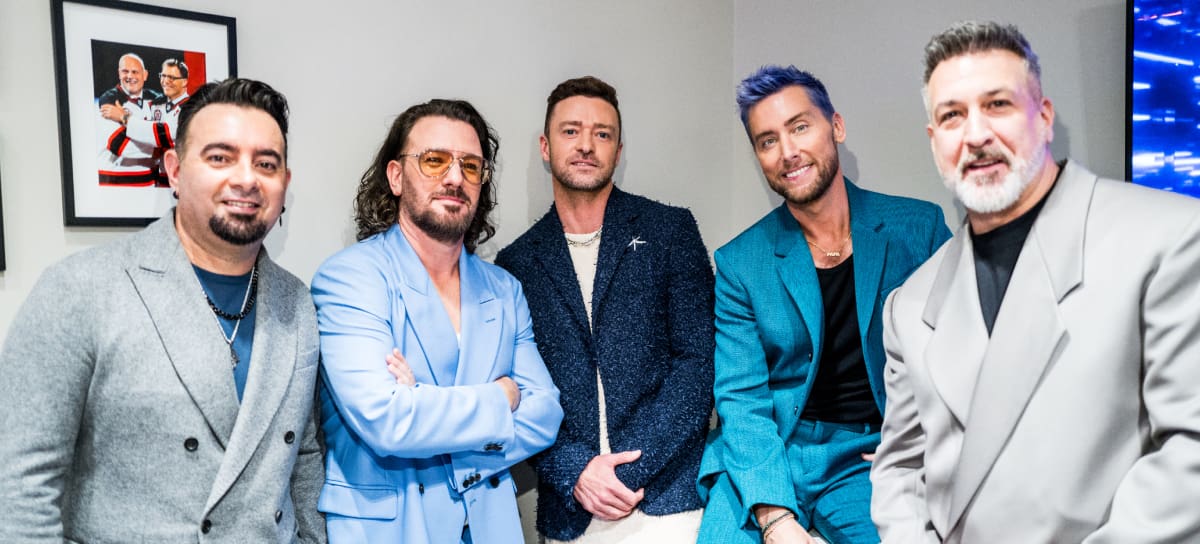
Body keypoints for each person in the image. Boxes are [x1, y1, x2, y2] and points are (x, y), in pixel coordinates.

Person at [870, 21, 1200, 542]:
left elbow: (1190, 453)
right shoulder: (908, 306)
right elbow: (901, 471)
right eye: (952, 115)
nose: (975, 135)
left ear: (1044, 118)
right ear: (935, 142)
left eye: (997, 104)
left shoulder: (1170, 239)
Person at [0, 78, 325, 542]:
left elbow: (305, 456)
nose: (247, 179)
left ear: (284, 184)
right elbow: (19, 482)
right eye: (220, 157)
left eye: (266, 163)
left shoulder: (298, 303)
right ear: (174, 170)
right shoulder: (79, 287)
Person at [696, 66, 951, 544]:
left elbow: (961, 355)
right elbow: (741, 399)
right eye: (767, 141)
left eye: (799, 127)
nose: (787, 151)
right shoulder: (740, 263)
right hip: (768, 451)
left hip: (865, 455)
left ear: (836, 126)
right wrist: (774, 517)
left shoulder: (919, 229)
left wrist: (925, 439)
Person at [311, 98, 563, 544]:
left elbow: (545, 412)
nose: (454, 177)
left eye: (471, 166)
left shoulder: (504, 289)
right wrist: (501, 396)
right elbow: (387, 420)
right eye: (434, 160)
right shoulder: (350, 278)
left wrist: (421, 401)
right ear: (395, 176)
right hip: (392, 531)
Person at [496, 76, 715, 542]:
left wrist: (627, 472)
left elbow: (698, 363)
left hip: (668, 505)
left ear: (618, 150)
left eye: (602, 133)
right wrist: (575, 470)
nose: (586, 145)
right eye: (570, 131)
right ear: (545, 146)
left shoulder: (669, 231)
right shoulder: (516, 264)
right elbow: (517, 389)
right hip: (570, 512)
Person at [97, 52, 164, 185]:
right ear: (119, 73)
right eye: (125, 71)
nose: (130, 76)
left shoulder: (158, 100)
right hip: (116, 182)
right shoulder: (108, 101)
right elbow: (121, 145)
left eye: (135, 72)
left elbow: (168, 134)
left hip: (151, 184)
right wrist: (160, 149)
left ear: (145, 75)